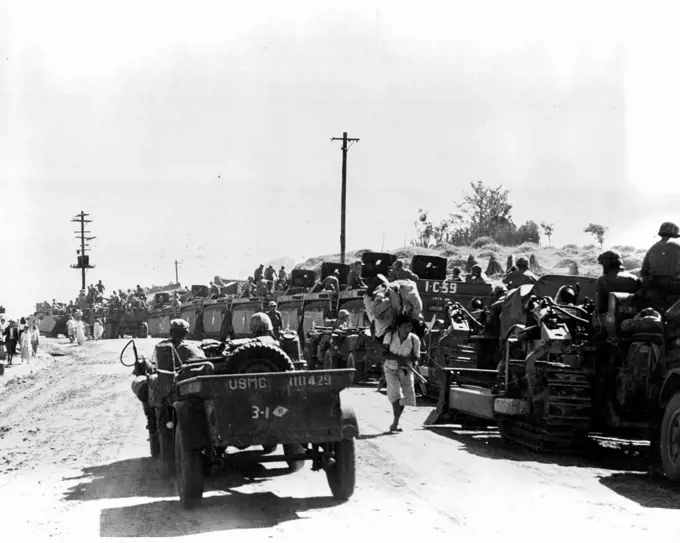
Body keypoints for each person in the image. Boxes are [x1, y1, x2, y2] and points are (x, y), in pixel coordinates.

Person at [381, 316, 421, 432]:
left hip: (406, 370)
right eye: (405, 326)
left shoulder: (414, 339)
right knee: (396, 395)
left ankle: (396, 421)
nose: (408, 329)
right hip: (391, 368)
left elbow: (416, 357)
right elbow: (384, 354)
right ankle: (395, 422)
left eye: (410, 326)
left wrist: (408, 360)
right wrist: (398, 358)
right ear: (398, 327)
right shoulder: (390, 336)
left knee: (407, 398)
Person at [640, 222, 680, 296]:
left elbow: (643, 271)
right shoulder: (677, 245)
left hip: (654, 285)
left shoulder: (652, 248)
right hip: (674, 285)